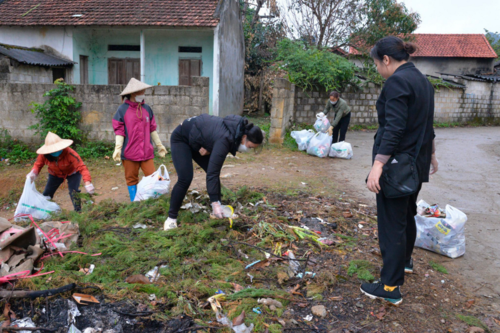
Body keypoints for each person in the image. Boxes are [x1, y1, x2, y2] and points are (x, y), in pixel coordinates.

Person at [362, 36, 439, 305]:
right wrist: (432, 154)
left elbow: (394, 128)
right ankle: (405, 262)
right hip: (416, 164)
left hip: (397, 166)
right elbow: (426, 124)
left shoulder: (397, 81)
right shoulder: (423, 81)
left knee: (392, 223)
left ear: (386, 59)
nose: (378, 70)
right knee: (406, 214)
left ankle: (391, 287)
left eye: (376, 64)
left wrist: (378, 165)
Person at [164, 114, 264, 230]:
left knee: (211, 169)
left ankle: (217, 209)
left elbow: (211, 134)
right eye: (250, 147)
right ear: (244, 137)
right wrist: (214, 202)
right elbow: (213, 173)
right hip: (182, 139)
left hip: (197, 139)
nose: (248, 150)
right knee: (185, 178)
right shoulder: (225, 139)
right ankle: (171, 218)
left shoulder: (234, 132)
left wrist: (209, 146)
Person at [112, 78, 168, 201]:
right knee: (131, 179)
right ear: (134, 93)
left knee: (154, 177)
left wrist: (159, 145)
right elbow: (119, 130)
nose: (144, 93)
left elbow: (152, 128)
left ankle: (156, 201)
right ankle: (135, 203)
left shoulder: (147, 109)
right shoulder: (122, 110)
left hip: (147, 152)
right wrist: (118, 148)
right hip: (129, 153)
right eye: (142, 91)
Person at [27, 132, 94, 212]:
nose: (56, 151)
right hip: (55, 174)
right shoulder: (44, 155)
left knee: (74, 192)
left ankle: (78, 212)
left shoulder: (70, 153)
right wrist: (33, 173)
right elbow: (38, 165)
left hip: (73, 173)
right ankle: (46, 211)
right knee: (47, 194)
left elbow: (82, 167)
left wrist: (88, 183)